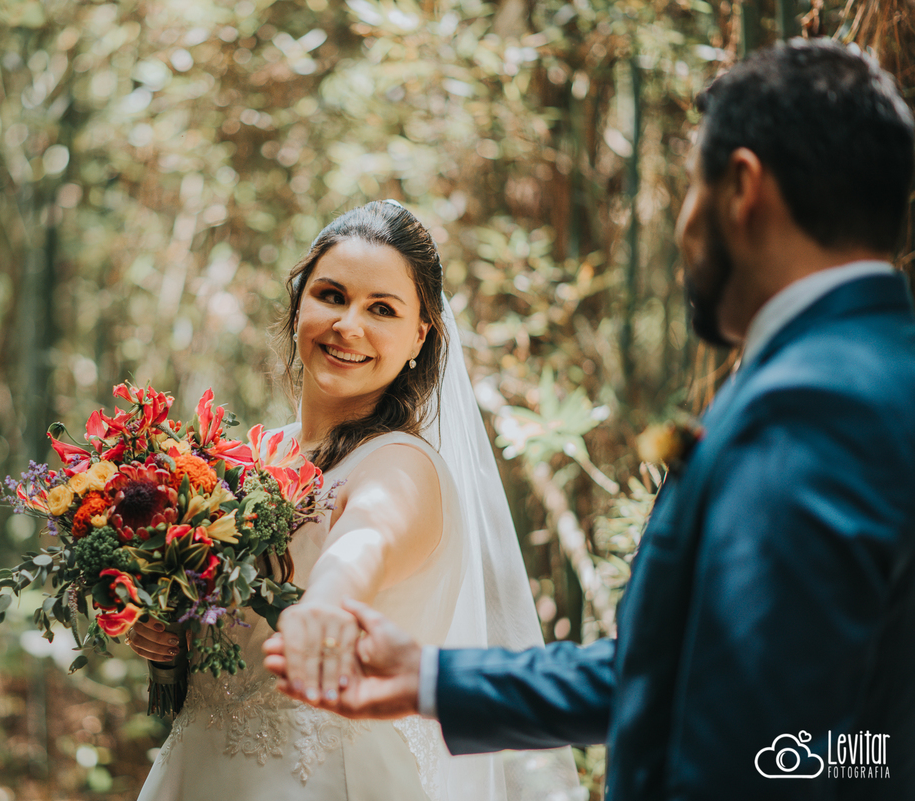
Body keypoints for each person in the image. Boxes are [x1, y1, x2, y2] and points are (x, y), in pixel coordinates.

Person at [266, 39, 915, 800]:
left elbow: (780, 738)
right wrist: (434, 678)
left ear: (741, 187)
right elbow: (687, 676)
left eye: (689, 188)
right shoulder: (861, 369)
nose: (683, 223)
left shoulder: (818, 401)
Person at [129, 200, 579, 800]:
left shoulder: (401, 466)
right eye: (332, 296)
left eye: (382, 309)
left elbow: (365, 540)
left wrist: (328, 602)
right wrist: (169, 637)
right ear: (299, 306)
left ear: (419, 336)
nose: (348, 326)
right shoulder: (249, 457)